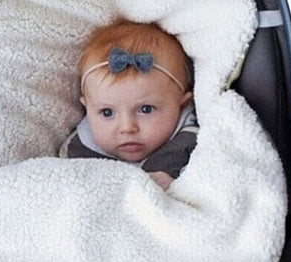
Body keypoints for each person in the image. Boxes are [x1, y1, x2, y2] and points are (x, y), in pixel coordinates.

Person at [63, 20, 198, 191]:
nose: (127, 128)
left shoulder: (194, 143)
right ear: (87, 108)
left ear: (181, 105)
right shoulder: (78, 152)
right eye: (107, 112)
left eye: (145, 109)